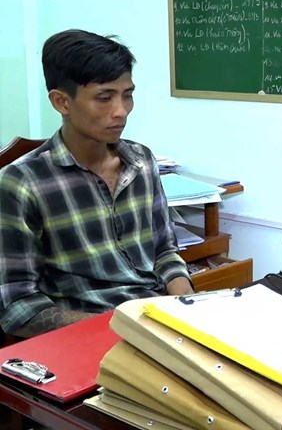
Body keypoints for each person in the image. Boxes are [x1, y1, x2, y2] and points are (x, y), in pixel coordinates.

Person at [0, 29, 194, 339]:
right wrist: (118, 326)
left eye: (127, 95)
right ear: (62, 102)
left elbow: (165, 252)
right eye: (105, 98)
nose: (121, 111)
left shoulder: (141, 161)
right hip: (86, 333)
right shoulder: (24, 182)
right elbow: (17, 305)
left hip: (156, 322)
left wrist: (187, 305)